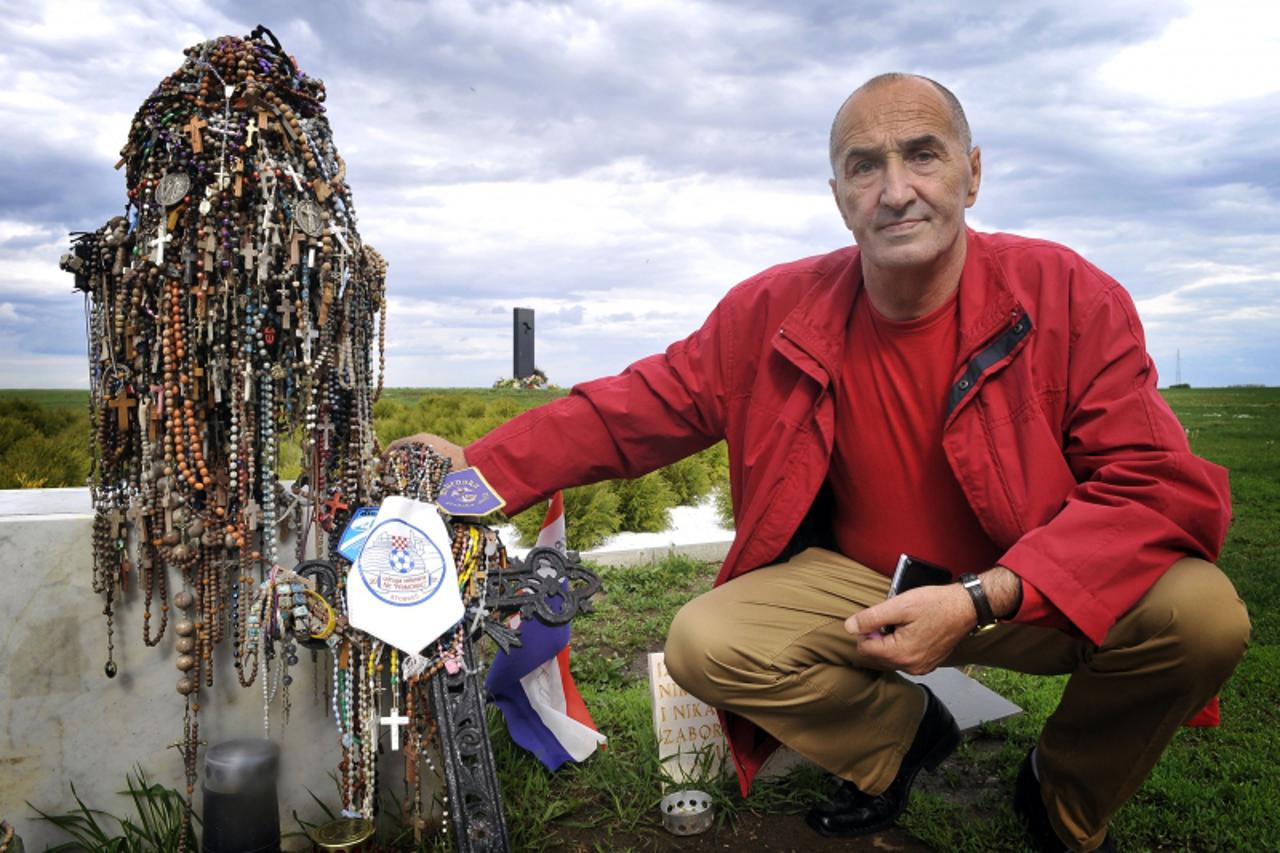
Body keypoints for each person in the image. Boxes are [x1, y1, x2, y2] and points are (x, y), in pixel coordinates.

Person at [394, 73, 1249, 852]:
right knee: (706, 641)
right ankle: (899, 740)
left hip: (1028, 584)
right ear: (839, 195)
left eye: (922, 156)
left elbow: (1153, 486)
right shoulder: (776, 309)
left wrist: (984, 595)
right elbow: (633, 410)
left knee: (1202, 615)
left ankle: (1061, 790)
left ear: (972, 173)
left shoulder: (1067, 293)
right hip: (864, 586)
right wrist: (476, 469)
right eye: (864, 165)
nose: (896, 189)